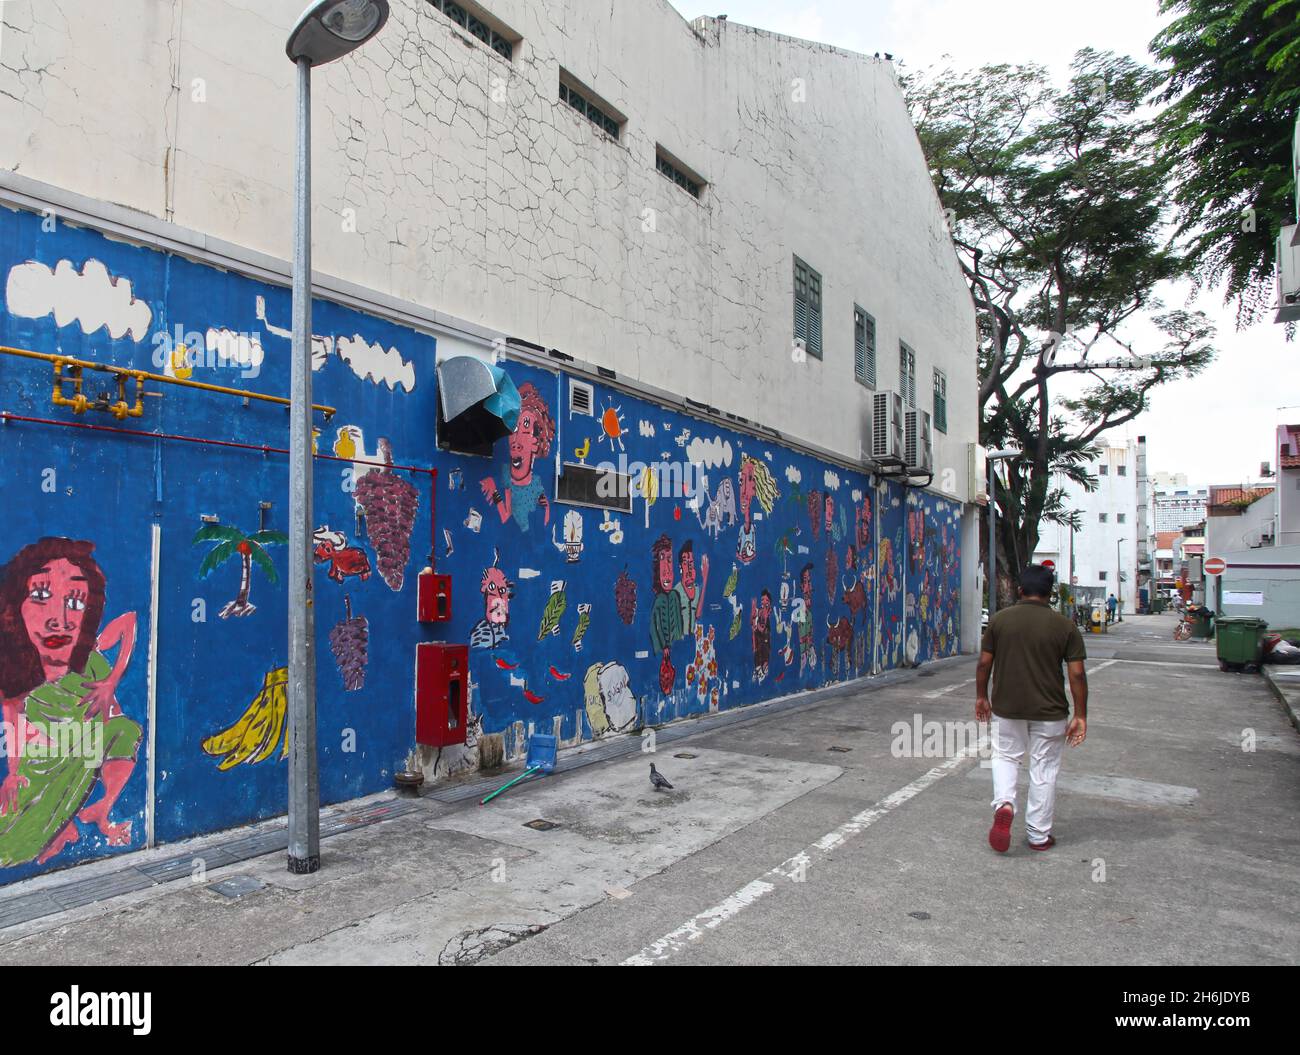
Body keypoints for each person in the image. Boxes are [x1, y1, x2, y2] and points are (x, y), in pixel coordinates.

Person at [976, 564, 1087, 852]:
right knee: (1044, 769)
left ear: (1019, 589)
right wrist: (1081, 715)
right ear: (1050, 593)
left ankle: (1005, 804)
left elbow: (984, 663)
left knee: (1005, 757)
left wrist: (981, 697)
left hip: (1006, 706)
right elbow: (1076, 674)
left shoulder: (1000, 621)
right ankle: (1038, 835)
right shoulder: (1065, 626)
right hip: (1050, 711)